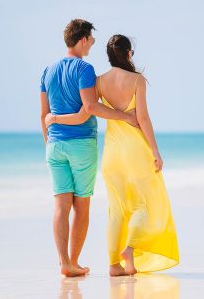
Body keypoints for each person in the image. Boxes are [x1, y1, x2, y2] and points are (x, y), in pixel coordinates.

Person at [45, 34, 179, 276]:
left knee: (116, 209)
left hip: (112, 153)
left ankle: (114, 265)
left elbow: (87, 110)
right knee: (144, 205)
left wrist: (55, 119)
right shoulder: (137, 80)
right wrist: (155, 150)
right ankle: (129, 248)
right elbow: (143, 118)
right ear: (128, 54)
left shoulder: (98, 82)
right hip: (136, 150)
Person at [40, 20, 138, 277]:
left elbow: (43, 115)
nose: (93, 43)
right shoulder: (84, 68)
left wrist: (49, 143)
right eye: (91, 39)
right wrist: (125, 116)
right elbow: (90, 109)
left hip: (55, 146)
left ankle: (65, 263)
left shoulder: (47, 70)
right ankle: (72, 262)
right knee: (81, 206)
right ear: (82, 39)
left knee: (61, 206)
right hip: (81, 144)